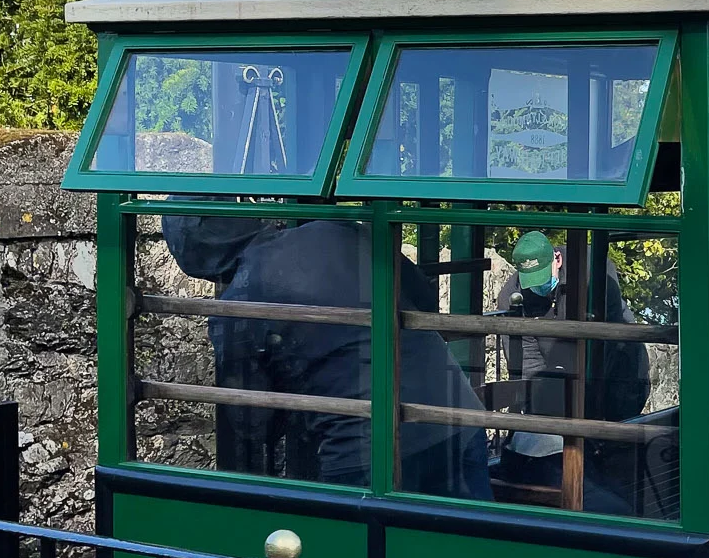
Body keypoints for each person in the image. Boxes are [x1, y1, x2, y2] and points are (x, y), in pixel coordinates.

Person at [161, 211, 492, 498]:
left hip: (366, 452)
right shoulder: (338, 230)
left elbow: (252, 425)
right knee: (474, 554)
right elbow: (423, 298)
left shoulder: (238, 304)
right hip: (456, 415)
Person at [492, 230, 650, 506]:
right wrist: (551, 409)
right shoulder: (513, 296)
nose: (536, 288)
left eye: (541, 277)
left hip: (616, 375)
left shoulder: (595, 274)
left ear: (557, 259)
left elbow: (613, 343)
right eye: (530, 282)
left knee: (613, 453)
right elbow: (528, 368)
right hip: (554, 388)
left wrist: (590, 409)